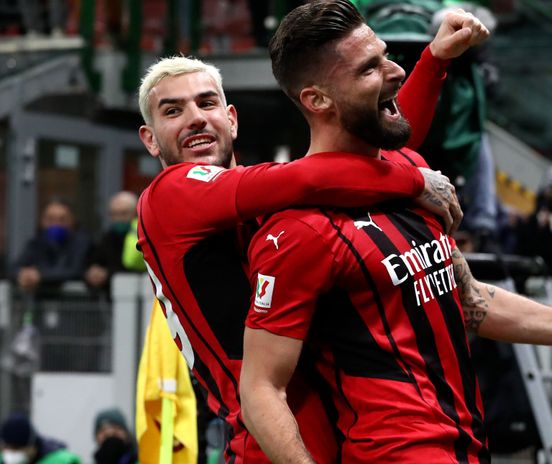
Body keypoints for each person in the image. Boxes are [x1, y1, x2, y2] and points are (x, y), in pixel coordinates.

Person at [239, 2, 552, 462]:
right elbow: (261, 386)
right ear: (317, 100)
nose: (395, 71)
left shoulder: (415, 175)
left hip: (466, 441)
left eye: (385, 55)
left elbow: (468, 300)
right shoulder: (300, 229)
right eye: (369, 69)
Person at [136, 7, 486, 462]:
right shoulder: (167, 198)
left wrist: (435, 61)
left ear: (232, 118)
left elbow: (379, 149)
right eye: (172, 111)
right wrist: (417, 182)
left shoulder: (264, 193)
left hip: (341, 433)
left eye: (206, 103)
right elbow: (318, 177)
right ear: (149, 139)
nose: (196, 118)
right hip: (267, 442)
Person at [13, 199, 93, 295]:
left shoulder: (83, 242)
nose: (56, 224)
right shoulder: (36, 243)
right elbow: (14, 268)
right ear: (42, 221)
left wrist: (40, 275)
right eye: (50, 219)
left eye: (62, 219)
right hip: (42, 303)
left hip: (75, 302)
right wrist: (24, 275)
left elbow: (76, 270)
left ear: (72, 221)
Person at [85, 191, 140, 292]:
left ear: (135, 213)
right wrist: (94, 271)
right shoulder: (107, 238)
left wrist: (108, 273)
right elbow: (95, 261)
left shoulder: (141, 237)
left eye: (124, 213)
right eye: (114, 214)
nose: (118, 218)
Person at [0, 413, 81, 464]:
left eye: (16, 448)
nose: (10, 452)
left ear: (32, 446)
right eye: (6, 447)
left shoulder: (61, 461)